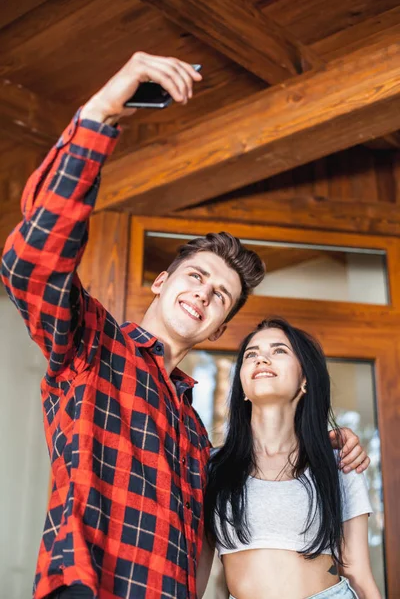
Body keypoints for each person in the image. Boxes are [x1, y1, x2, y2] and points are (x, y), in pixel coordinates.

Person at [1, 52, 370, 599]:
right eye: (196, 276)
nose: (204, 292)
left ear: (219, 327)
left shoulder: (198, 437)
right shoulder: (93, 345)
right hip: (92, 585)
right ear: (160, 283)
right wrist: (103, 112)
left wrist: (334, 441)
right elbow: (29, 264)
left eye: (220, 294)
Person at [204, 318, 381, 599]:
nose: (262, 358)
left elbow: (358, 571)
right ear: (242, 385)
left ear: (304, 379)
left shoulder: (338, 462)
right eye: (252, 354)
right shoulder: (213, 466)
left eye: (279, 351)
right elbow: (197, 575)